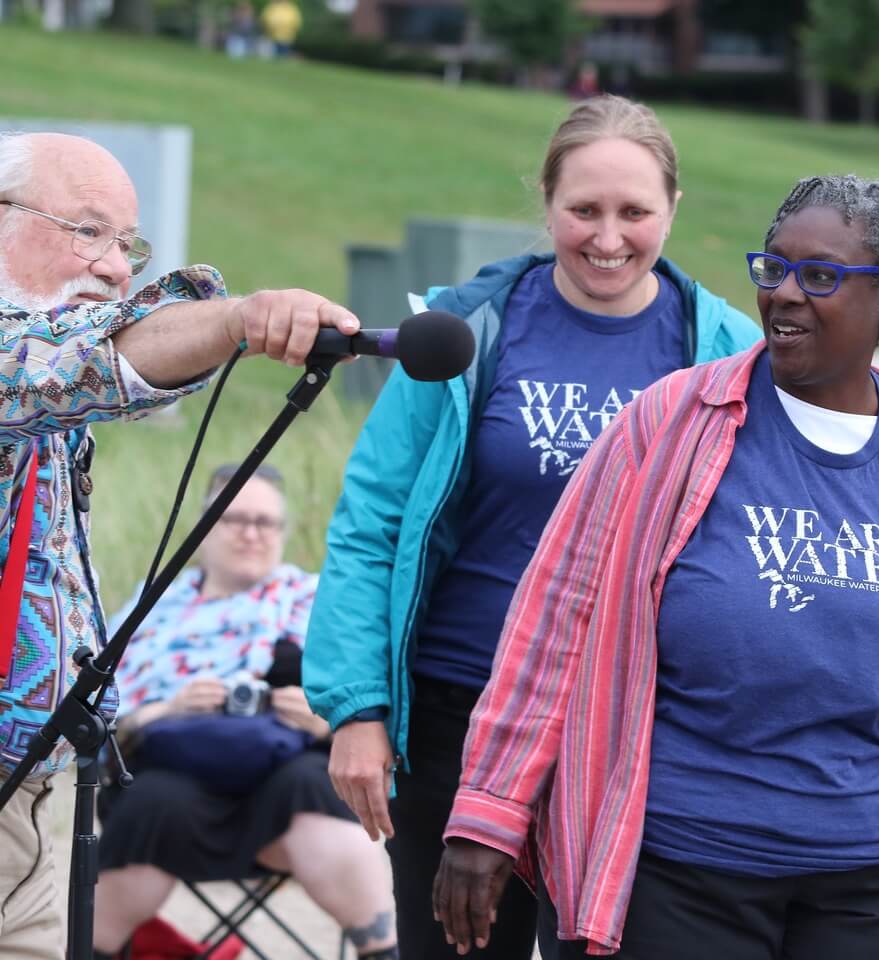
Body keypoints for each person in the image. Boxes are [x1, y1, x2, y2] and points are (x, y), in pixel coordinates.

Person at [433, 174, 879, 960]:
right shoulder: (668, 425)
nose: (787, 295)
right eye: (774, 269)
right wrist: (488, 813)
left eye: (822, 276)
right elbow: (553, 624)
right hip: (687, 867)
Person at [303, 94, 761, 959]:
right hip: (459, 714)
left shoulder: (726, 352)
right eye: (583, 210)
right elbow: (370, 522)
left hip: (634, 724)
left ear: (674, 209)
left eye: (635, 212)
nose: (608, 237)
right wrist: (356, 707)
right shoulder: (464, 329)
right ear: (546, 201)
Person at [0, 130, 360, 960]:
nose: (117, 266)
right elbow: (77, 364)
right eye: (88, 230)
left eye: (127, 243)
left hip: (37, 800)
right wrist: (238, 319)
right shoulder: (32, 356)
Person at [91, 465, 398, 960]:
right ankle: (95, 950)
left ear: (282, 531)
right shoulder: (152, 609)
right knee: (152, 802)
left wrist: (327, 720)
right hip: (170, 791)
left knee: (310, 782)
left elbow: (375, 712)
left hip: (288, 791)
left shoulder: (320, 603)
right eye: (235, 519)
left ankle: (382, 949)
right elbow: (99, 722)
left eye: (265, 522)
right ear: (205, 526)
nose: (252, 533)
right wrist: (169, 709)